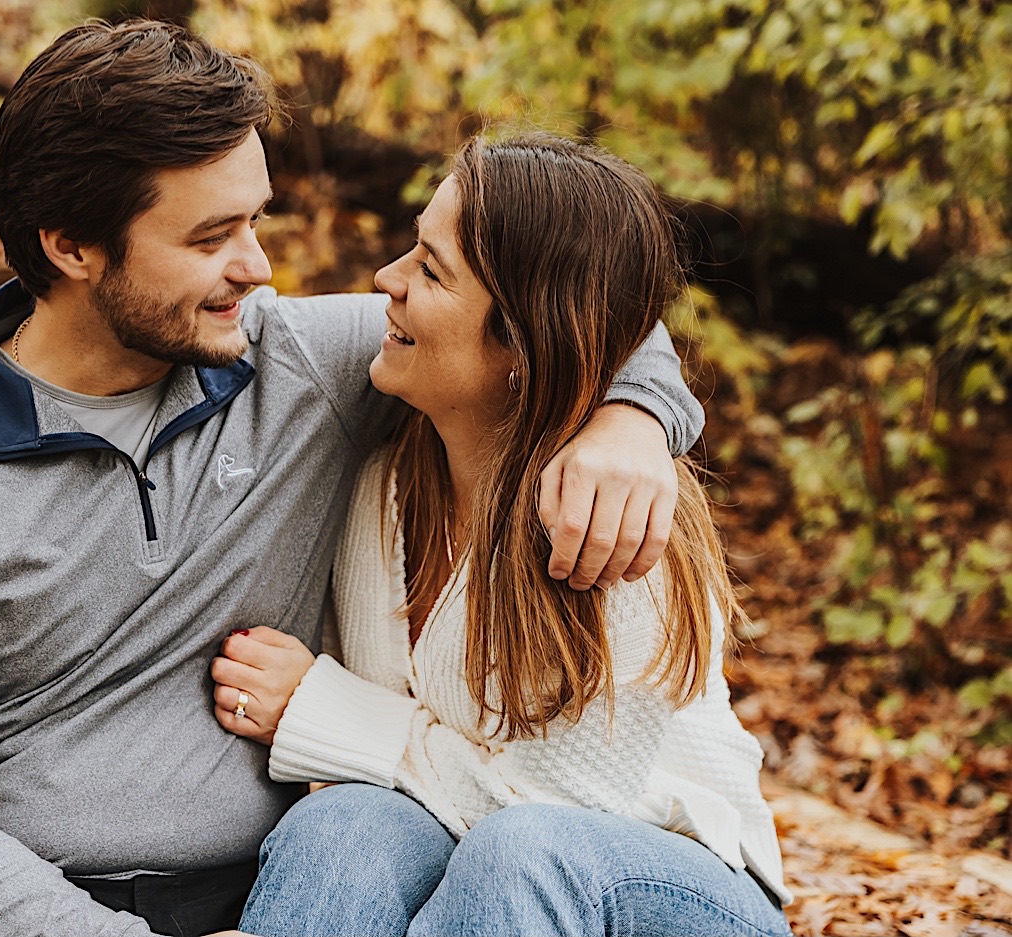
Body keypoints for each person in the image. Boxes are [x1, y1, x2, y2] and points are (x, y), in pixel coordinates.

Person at [0, 21, 707, 937]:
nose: (257, 268)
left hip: (271, 899)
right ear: (72, 246)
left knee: (352, 833)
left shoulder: (301, 367)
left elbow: (561, 301)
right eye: (210, 237)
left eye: (255, 220)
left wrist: (631, 417)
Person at [209, 132, 793, 937]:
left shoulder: (615, 525)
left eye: (430, 268)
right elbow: (397, 782)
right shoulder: (382, 486)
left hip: (670, 886)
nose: (386, 280)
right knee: (339, 827)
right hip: (477, 881)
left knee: (524, 848)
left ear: (521, 340)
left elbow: (553, 801)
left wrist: (322, 707)